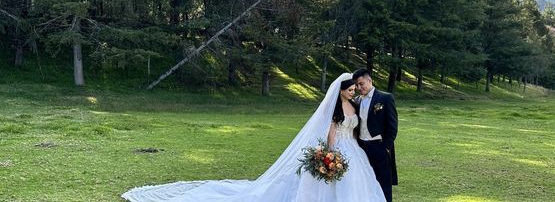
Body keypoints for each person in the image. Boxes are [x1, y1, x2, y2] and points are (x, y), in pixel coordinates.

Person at [121, 73, 386, 202]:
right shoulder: (337, 109)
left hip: (354, 149)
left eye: (354, 89)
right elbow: (331, 133)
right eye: (349, 89)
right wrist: (331, 153)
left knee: (360, 182)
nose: (353, 92)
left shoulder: (357, 103)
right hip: (338, 148)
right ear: (339, 91)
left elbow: (358, 127)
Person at [353, 67, 398, 202]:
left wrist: (386, 147)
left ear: (370, 80)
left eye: (361, 84)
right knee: (365, 183)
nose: (359, 87)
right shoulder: (356, 101)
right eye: (356, 85)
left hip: (379, 147)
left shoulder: (385, 98)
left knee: (383, 184)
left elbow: (392, 126)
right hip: (361, 148)